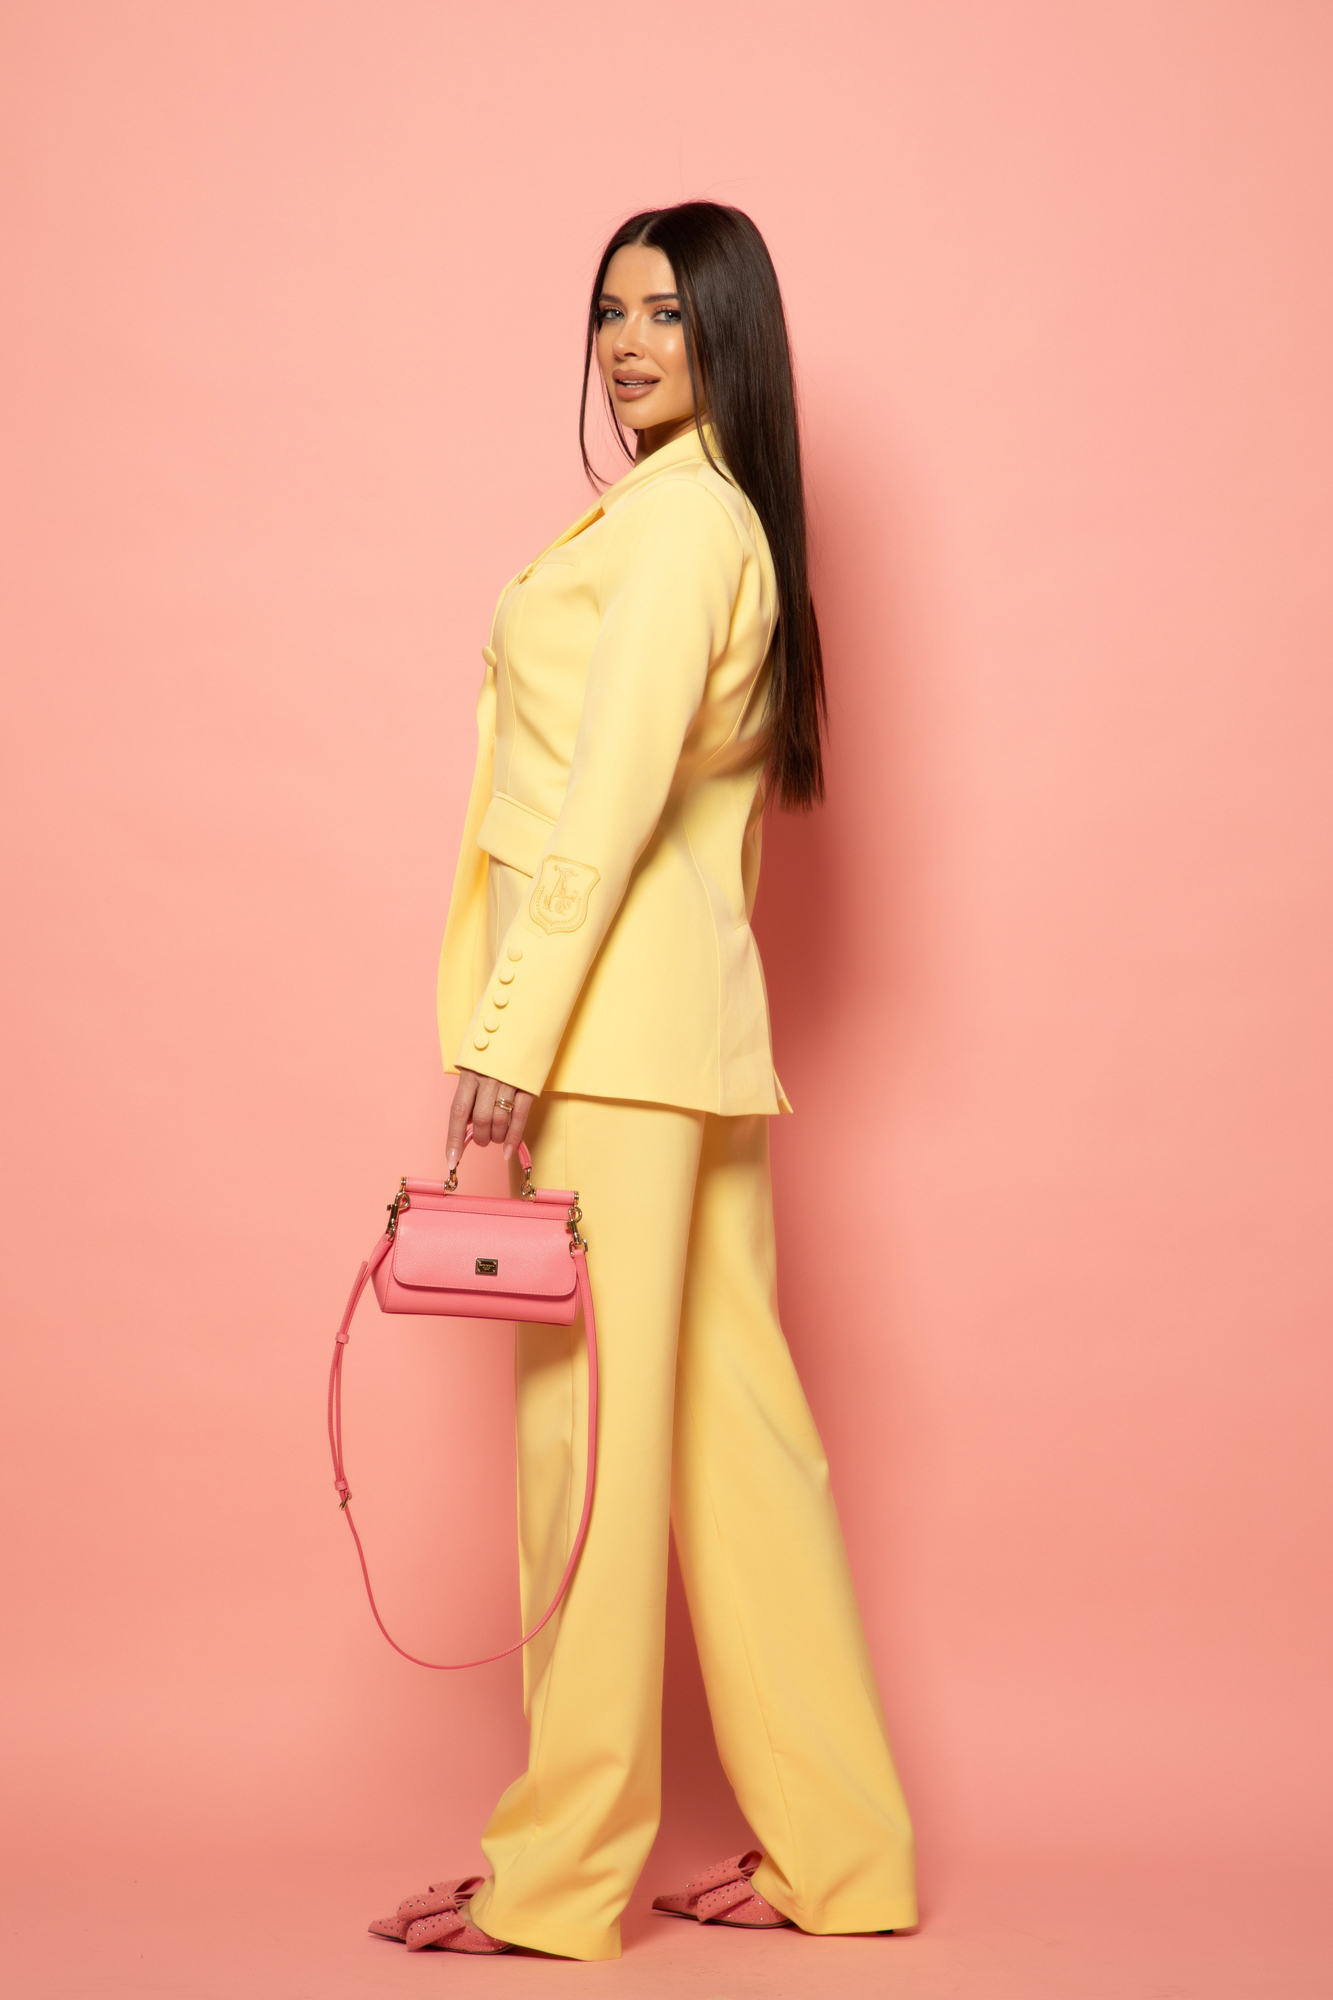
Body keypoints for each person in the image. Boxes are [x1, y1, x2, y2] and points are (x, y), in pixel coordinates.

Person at [370, 201, 916, 1962]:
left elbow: (603, 805)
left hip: (611, 1047)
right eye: (610, 311)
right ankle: (841, 1855)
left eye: (667, 313)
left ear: (728, 332)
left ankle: (559, 1877)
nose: (626, 342)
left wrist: (505, 1039)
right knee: (737, 1448)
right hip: (685, 1044)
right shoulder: (705, 515)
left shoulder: (681, 528)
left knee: (584, 1459)